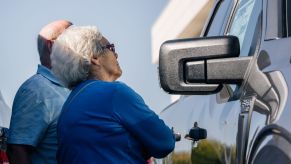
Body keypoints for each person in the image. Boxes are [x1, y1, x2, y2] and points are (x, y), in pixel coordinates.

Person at [50, 26, 175, 163]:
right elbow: (164, 142)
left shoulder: (67, 108)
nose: (116, 55)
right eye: (111, 48)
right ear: (95, 57)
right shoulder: (114, 94)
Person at [7, 20, 72, 164]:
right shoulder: (36, 90)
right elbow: (17, 150)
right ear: (52, 46)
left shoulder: (71, 88)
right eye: (73, 39)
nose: (82, 46)